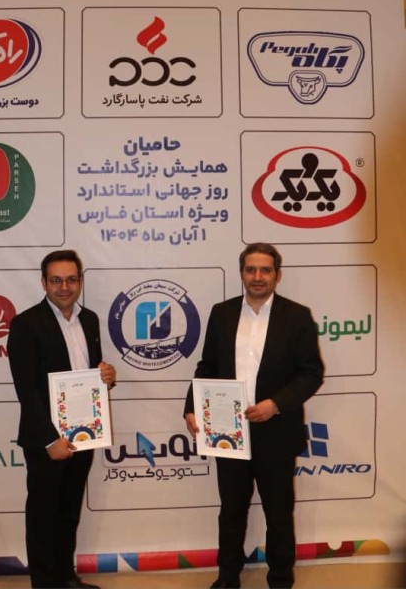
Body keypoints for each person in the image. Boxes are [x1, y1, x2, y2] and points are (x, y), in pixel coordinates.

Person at [184, 243, 324, 589]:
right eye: (251, 270)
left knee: (279, 514)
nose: (257, 277)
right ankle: (227, 577)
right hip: (227, 430)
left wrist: (274, 404)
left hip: (276, 430)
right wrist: (191, 406)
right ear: (242, 273)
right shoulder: (222, 313)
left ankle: (280, 580)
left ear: (277, 274)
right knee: (231, 511)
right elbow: (207, 366)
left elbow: (311, 373)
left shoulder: (297, 316)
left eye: (265, 270)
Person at [7, 249, 116, 589]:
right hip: (47, 441)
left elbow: (92, 374)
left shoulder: (89, 320)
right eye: (56, 280)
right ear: (44, 283)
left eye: (71, 280)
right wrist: (50, 439)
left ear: (80, 282)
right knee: (43, 517)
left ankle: (66, 578)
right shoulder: (26, 324)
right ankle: (44, 584)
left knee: (68, 512)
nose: (64, 287)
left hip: (84, 435)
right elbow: (26, 389)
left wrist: (106, 375)